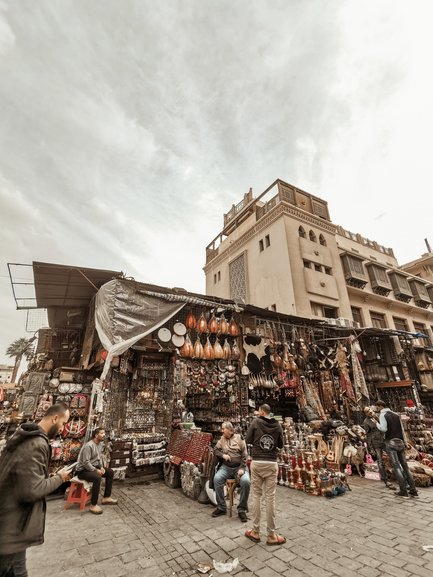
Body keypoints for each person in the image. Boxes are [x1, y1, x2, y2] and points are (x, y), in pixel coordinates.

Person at [0, 402, 71, 577]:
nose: (63, 429)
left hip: (12, 523)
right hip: (13, 524)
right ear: (54, 418)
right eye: (63, 423)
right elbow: (32, 490)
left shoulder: (23, 435)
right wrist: (59, 477)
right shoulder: (36, 444)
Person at [244, 404, 286, 546]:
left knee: (256, 495)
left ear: (262, 412)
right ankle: (271, 534)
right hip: (271, 462)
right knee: (270, 497)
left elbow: (247, 440)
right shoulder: (278, 425)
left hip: (257, 461)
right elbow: (281, 444)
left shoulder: (256, 422)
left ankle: (255, 531)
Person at [375, 400, 418, 498]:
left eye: (377, 407)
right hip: (400, 441)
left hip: (391, 442)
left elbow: (383, 429)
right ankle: (413, 490)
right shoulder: (396, 414)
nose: (377, 409)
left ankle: (403, 490)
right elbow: (402, 430)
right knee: (405, 466)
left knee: (397, 466)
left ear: (380, 406)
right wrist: (406, 442)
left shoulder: (383, 415)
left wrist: (376, 423)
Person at [211, 421, 250, 522]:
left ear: (230, 430)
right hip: (226, 467)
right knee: (217, 479)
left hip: (239, 467)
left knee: (246, 482)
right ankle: (221, 507)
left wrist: (242, 468)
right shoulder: (222, 439)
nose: (222, 430)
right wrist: (223, 455)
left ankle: (242, 509)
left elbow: (245, 455)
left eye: (224, 428)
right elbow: (215, 450)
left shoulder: (239, 438)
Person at [76, 428, 117, 514]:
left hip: (93, 467)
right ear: (96, 435)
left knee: (110, 472)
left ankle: (106, 497)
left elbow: (99, 458)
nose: (104, 435)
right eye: (101, 433)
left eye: (104, 433)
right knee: (97, 477)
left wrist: (101, 467)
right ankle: (93, 505)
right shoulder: (89, 446)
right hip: (83, 471)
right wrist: (96, 470)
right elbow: (85, 463)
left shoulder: (100, 444)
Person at [362, 406, 395, 490]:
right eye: (367, 411)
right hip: (376, 443)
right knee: (380, 461)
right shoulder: (366, 422)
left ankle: (396, 476)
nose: (369, 411)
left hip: (385, 439)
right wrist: (370, 448)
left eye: (369, 409)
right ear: (365, 414)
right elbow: (368, 435)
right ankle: (385, 480)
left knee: (393, 458)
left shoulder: (379, 416)